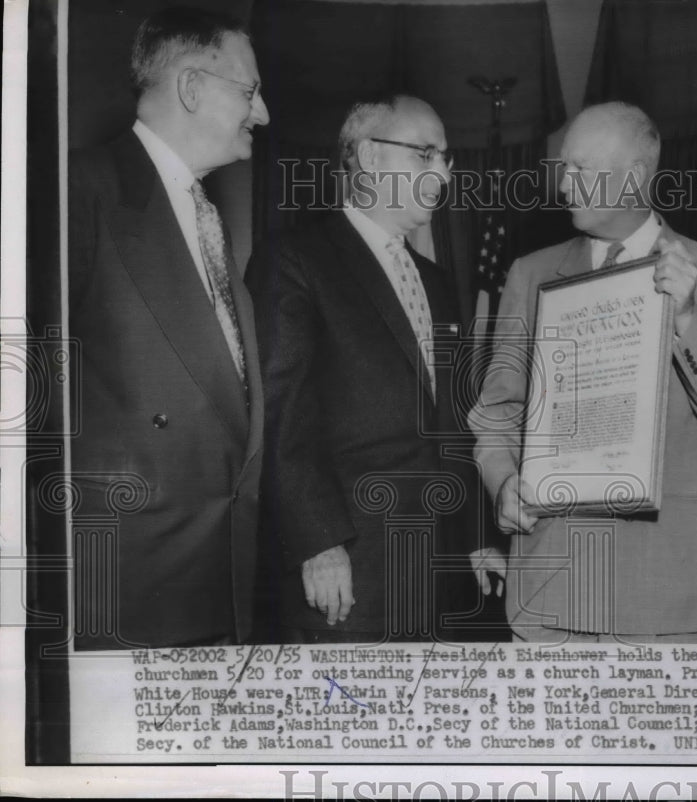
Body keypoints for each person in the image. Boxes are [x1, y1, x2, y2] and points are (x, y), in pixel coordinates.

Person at [469, 102, 697, 643]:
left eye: (581, 169)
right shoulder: (531, 273)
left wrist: (687, 318)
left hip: (660, 595)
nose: (564, 184)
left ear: (633, 176)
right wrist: (503, 483)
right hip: (548, 589)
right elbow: (497, 412)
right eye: (564, 167)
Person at [247, 96, 489, 643]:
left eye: (446, 158)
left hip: (441, 578)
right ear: (370, 157)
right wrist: (318, 543)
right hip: (348, 576)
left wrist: (476, 535)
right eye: (425, 154)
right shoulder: (294, 260)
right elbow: (281, 417)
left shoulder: (437, 281)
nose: (444, 175)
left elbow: (452, 423)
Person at [69, 6, 270, 649]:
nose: (263, 114)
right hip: (129, 591)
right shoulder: (75, 192)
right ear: (191, 87)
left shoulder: (207, 219)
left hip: (217, 584)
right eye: (249, 91)